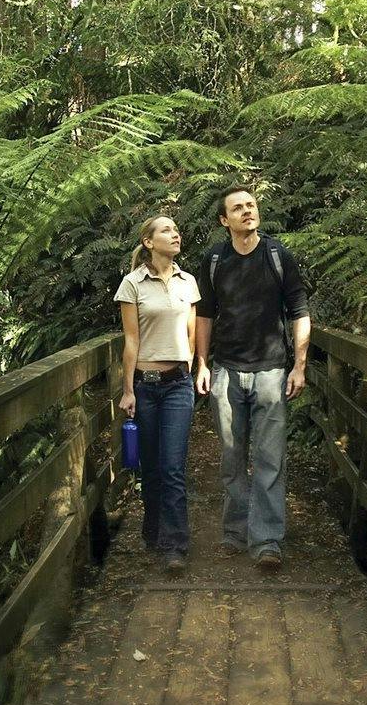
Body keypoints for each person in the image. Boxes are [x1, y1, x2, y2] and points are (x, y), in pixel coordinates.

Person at [192, 185, 309, 573]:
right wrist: (202, 363)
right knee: (231, 455)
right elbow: (204, 315)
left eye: (251, 205)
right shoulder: (213, 260)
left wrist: (300, 365)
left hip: (272, 370)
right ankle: (235, 531)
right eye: (238, 208)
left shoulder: (277, 256)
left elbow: (298, 310)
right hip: (226, 369)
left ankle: (267, 539)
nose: (247, 212)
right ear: (225, 221)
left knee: (270, 457)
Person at [114, 213, 200, 573]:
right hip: (146, 388)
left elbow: (193, 334)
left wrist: (192, 369)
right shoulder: (132, 284)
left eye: (176, 228)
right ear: (148, 242)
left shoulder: (188, 281)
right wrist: (128, 388)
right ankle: (152, 531)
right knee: (150, 467)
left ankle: (174, 544)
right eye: (166, 229)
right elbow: (131, 339)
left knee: (172, 466)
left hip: (179, 385)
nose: (175, 233)